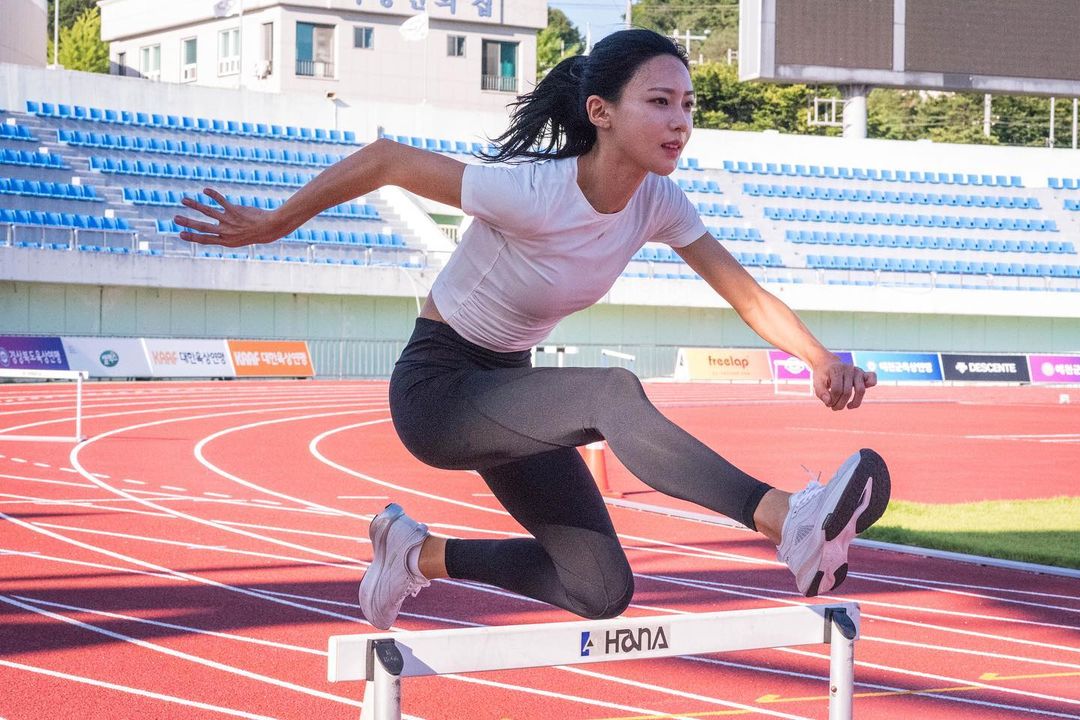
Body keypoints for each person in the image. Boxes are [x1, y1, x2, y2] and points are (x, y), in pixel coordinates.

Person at [177, 29, 890, 631]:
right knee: (610, 392)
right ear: (600, 112)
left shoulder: (659, 203)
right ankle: (785, 521)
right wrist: (273, 224)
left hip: (507, 391)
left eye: (688, 104)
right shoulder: (534, 191)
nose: (680, 121)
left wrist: (819, 358)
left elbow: (747, 294)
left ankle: (414, 554)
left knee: (599, 588)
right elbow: (387, 159)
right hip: (439, 391)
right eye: (659, 102)